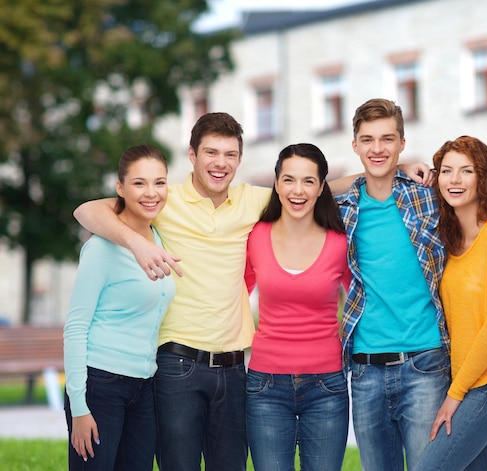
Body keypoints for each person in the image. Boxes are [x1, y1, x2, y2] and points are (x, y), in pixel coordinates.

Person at [73, 111, 433, 470]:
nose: (220, 163)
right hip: (176, 362)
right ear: (192, 156)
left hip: (234, 368)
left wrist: (396, 170)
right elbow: (87, 211)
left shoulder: (254, 203)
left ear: (240, 160)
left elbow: (320, 185)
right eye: (211, 153)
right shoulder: (165, 200)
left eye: (230, 155)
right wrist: (138, 244)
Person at [334, 98, 487, 471]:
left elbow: (480, 207)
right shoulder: (344, 207)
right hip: (364, 369)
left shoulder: (426, 197)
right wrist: (381, 172)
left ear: (402, 142)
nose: (378, 149)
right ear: (355, 145)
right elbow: (308, 190)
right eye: (368, 140)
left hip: (425, 365)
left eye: (388, 140)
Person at [63, 144, 175, 470]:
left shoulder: (160, 238)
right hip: (101, 386)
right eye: (139, 183)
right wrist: (80, 407)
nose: (151, 192)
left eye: (159, 182)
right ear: (120, 188)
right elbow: (75, 327)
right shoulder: (100, 248)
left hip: (144, 386)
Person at [418, 135, 487, 470]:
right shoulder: (446, 241)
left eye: (466, 171)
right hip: (465, 379)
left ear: (484, 177)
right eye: (447, 171)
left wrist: (455, 394)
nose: (455, 180)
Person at [244, 143, 351, 470]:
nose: (297, 190)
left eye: (308, 181)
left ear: (322, 188)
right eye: (289, 180)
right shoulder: (255, 235)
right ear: (276, 185)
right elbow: (232, 294)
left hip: (327, 386)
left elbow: (365, 303)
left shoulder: (340, 241)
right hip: (264, 386)